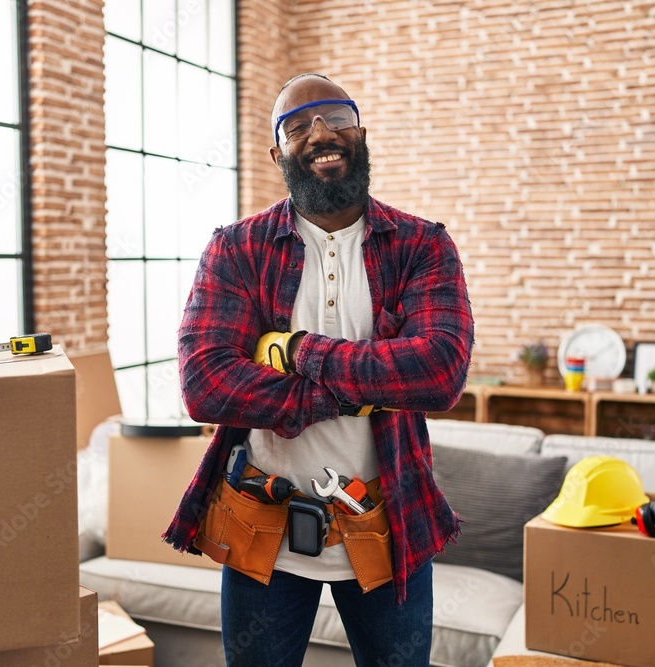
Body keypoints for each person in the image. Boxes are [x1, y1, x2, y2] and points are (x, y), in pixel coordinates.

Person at [164, 73, 474, 667]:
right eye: (297, 125)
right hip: (263, 525)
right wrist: (353, 394)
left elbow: (439, 372)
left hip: (389, 521)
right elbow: (205, 383)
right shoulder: (236, 249)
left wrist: (300, 350)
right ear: (277, 152)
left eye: (336, 117)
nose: (320, 132)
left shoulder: (421, 245)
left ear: (361, 132)